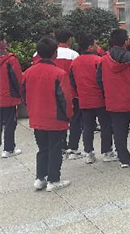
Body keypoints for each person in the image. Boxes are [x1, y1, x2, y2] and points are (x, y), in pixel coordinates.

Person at [23, 37, 73, 191]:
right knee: (55, 149)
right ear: (54, 53)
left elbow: (23, 94)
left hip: (37, 116)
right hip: (56, 118)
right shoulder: (60, 74)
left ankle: (40, 178)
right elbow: (65, 99)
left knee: (42, 148)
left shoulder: (28, 72)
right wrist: (69, 116)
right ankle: (53, 180)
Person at [98, 29, 130, 168]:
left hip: (114, 101)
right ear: (125, 41)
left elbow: (99, 81)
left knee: (119, 130)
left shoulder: (103, 60)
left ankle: (123, 159)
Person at [70, 33, 116, 164]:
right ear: (90, 47)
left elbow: (72, 81)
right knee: (105, 126)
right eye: (95, 44)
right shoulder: (98, 60)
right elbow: (104, 80)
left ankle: (89, 153)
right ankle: (107, 152)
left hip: (84, 99)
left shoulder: (75, 62)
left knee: (87, 127)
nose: (97, 46)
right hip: (100, 99)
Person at [51, 30, 81, 158]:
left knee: (59, 120)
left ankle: (61, 146)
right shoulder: (73, 54)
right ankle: (73, 148)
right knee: (75, 121)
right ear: (69, 39)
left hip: (51, 93)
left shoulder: (43, 53)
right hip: (71, 93)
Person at [0, 32, 23, 158]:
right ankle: (8, 149)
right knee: (10, 123)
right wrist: (21, 94)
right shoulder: (10, 60)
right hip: (8, 97)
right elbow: (18, 79)